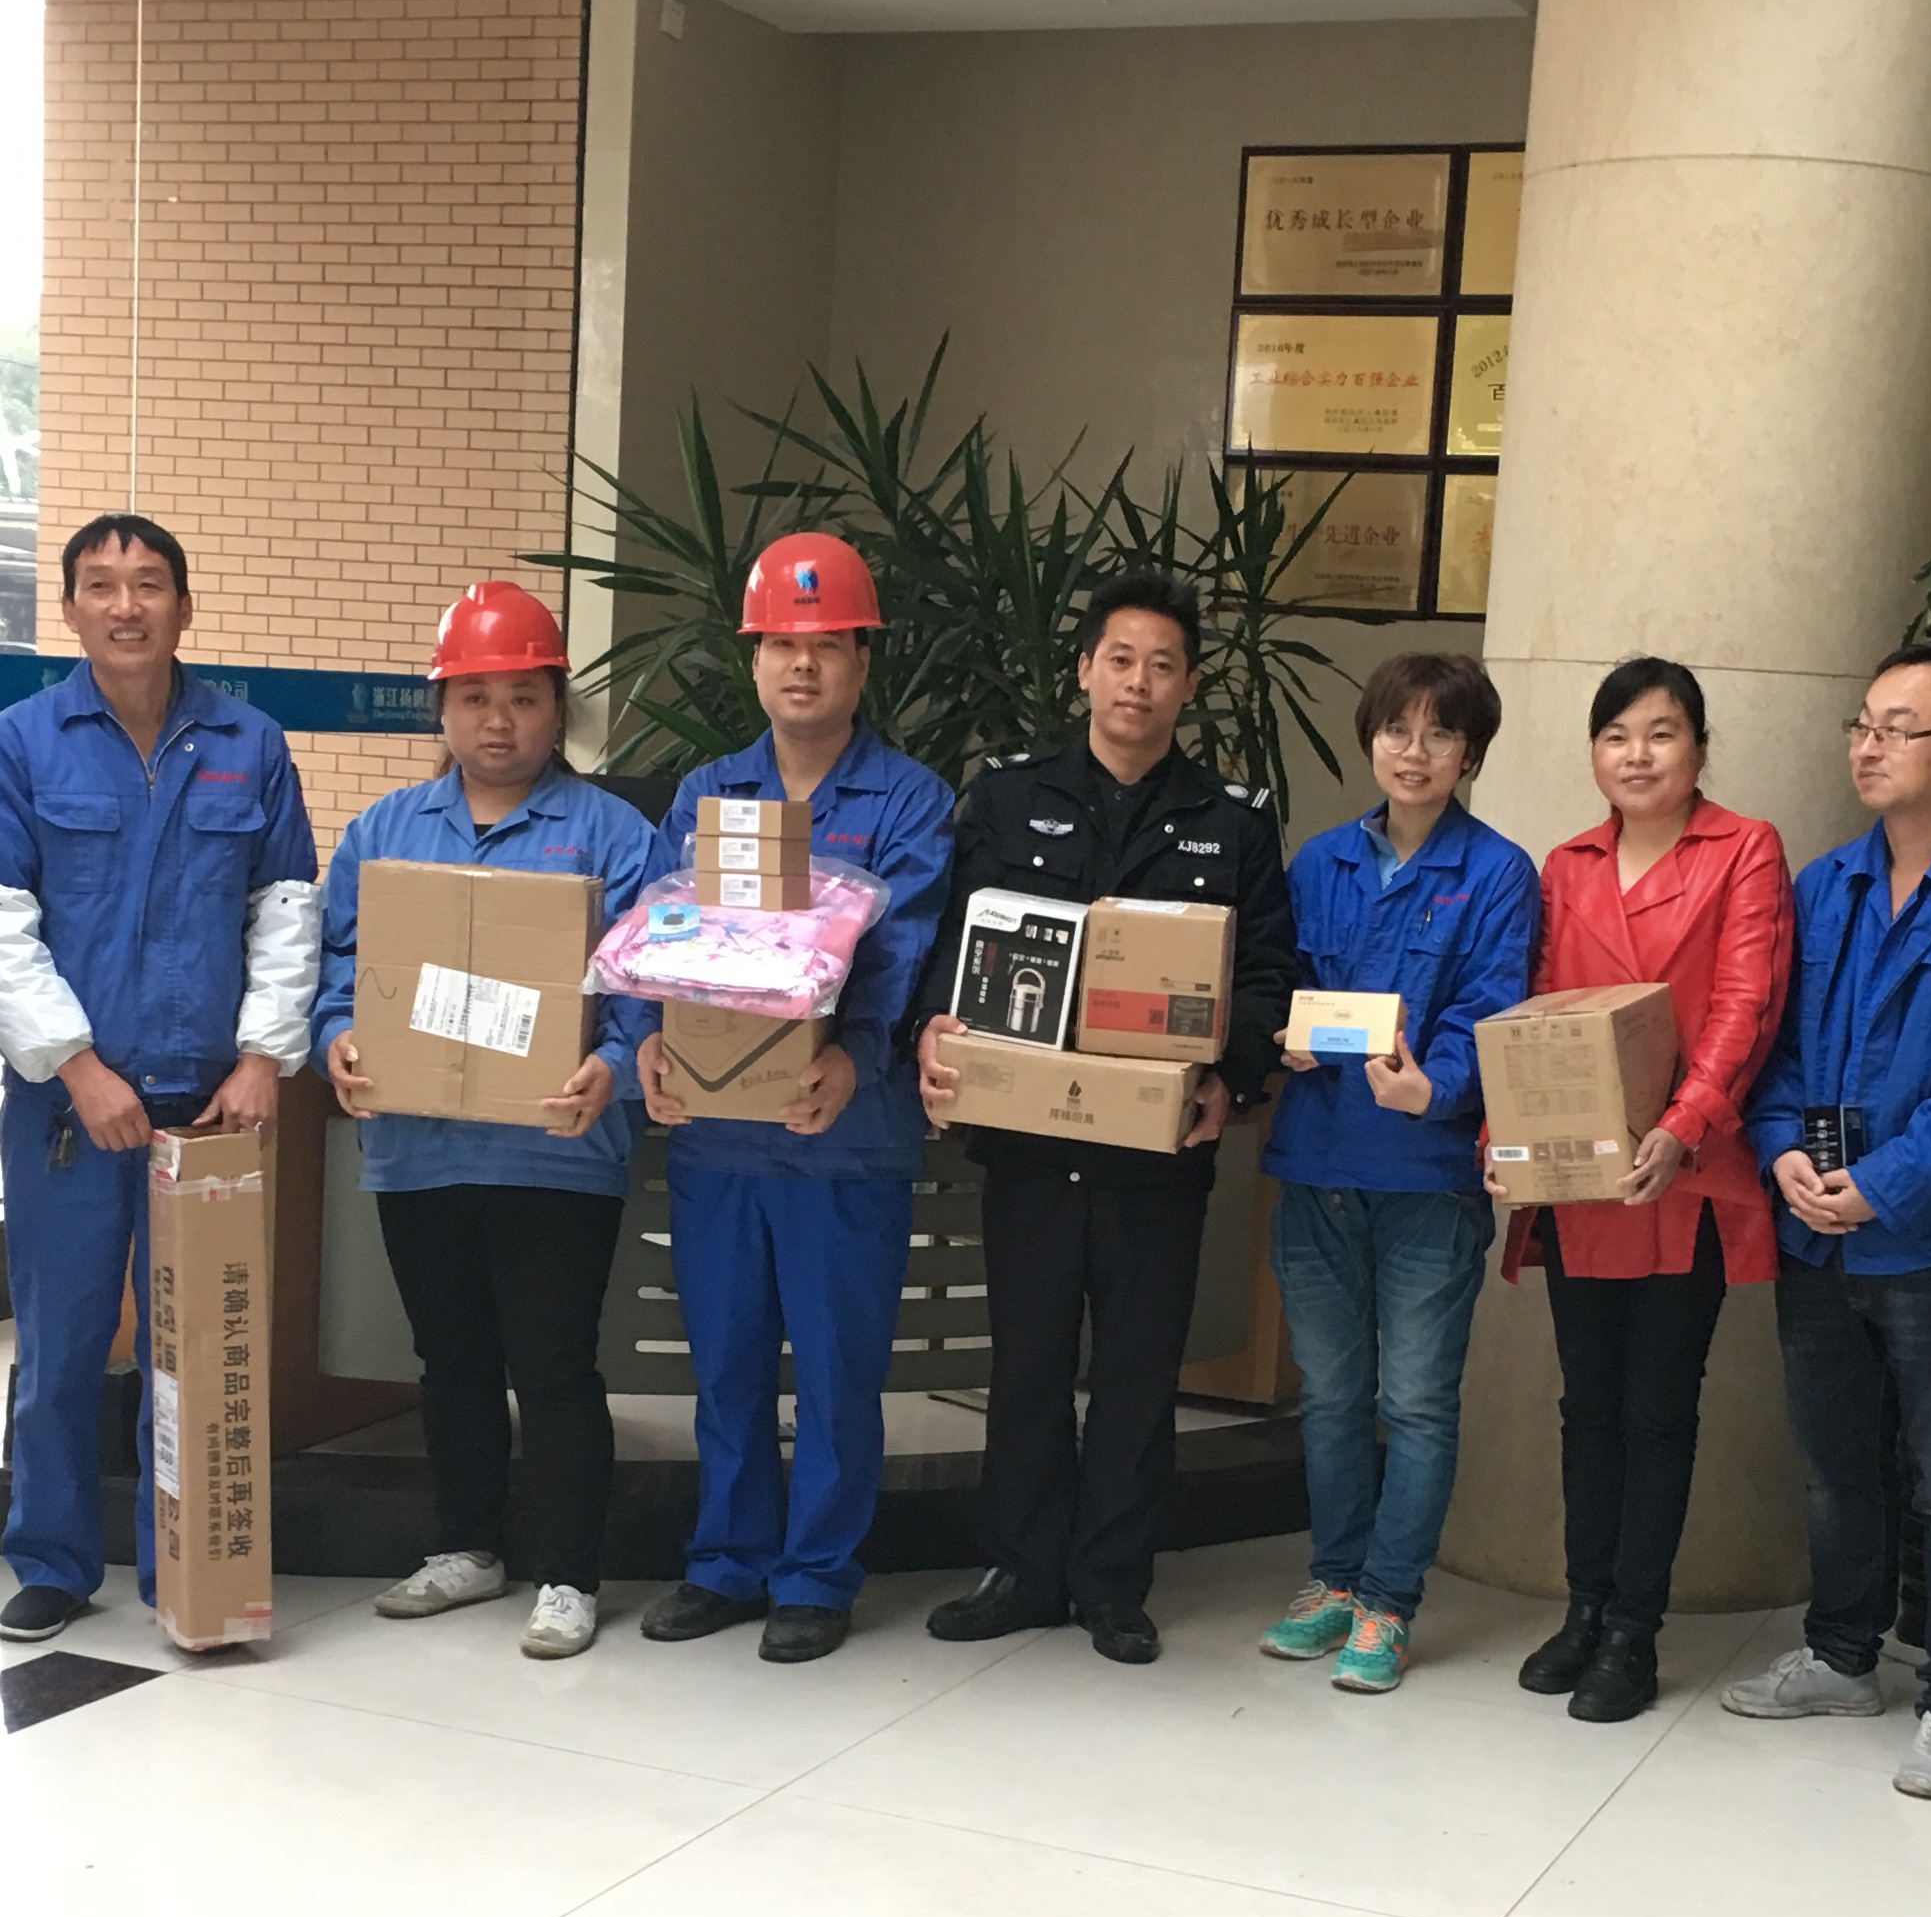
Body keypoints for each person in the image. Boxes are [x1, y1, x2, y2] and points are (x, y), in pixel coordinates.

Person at [0, 514, 317, 1640]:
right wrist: (77, 1067)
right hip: (69, 1112)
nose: (126, 605)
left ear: (184, 607)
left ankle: (191, 1574)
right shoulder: (19, 745)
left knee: (200, 1350)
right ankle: (53, 1561)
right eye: (101, 585)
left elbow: (285, 911)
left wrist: (263, 1057)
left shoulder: (250, 743)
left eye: (149, 584)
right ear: (69, 609)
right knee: (60, 1346)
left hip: (207, 1110)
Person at [919, 571, 1292, 1663]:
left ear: (1189, 685)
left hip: (1155, 1153)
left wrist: (1229, 1080)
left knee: (1137, 1377)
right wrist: (932, 1032)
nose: (1139, 681)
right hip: (1030, 1146)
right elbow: (951, 945)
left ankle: (1113, 1583)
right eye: (1120, 659)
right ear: (1084, 669)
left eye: (1162, 665)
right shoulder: (1006, 798)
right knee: (1027, 1368)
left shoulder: (1231, 823)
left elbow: (1267, 972)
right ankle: (1020, 1569)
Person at [1722, 641, 1931, 1800]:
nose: (1869, 747)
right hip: (1815, 1225)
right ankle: (1839, 1655)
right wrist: (1781, 1150)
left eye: (1900, 729)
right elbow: (1773, 1045)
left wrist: (1885, 1184)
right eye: (1862, 724)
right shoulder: (1826, 883)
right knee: (1836, 1467)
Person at [630, 534, 954, 1663]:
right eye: (780, 644)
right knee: (724, 1366)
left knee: (835, 1371)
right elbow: (661, 932)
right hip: (718, 1134)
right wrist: (648, 1042)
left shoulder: (910, 800)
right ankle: (726, 1562)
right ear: (753, 659)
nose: (801, 665)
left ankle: (816, 1574)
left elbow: (901, 948)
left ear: (863, 660)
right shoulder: (706, 792)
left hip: (843, 1135)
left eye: (826, 646)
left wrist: (854, 1055)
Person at [318, 582, 655, 1659]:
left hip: (558, 1152)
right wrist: (338, 1037)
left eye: (522, 697)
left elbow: (648, 986)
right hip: (420, 1151)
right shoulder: (385, 832)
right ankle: (467, 1546)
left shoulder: (613, 835)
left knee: (554, 1366)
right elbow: (337, 967)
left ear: (558, 708)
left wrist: (613, 1065)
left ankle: (568, 1573)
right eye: (474, 698)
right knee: (451, 1360)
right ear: (443, 710)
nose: (498, 721)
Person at [1506, 659, 1793, 1724]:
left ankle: (1634, 1629)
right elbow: (1536, 1012)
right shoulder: (1567, 864)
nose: (1637, 754)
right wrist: (1505, 1140)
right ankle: (1583, 1609)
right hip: (1583, 1173)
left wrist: (1684, 1123)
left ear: (1700, 748)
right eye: (1616, 734)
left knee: (1658, 1408)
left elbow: (1746, 1002)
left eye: (1662, 733)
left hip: (1687, 1172)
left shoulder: (1744, 848)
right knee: (1588, 1404)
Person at [1254, 653, 1536, 1694]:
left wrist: (1438, 1086)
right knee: (1330, 1395)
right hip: (1316, 1164)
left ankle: (1388, 1601)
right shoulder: (1320, 861)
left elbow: (1492, 1006)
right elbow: (1280, 980)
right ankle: (1332, 1580)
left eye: (1440, 734)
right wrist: (1277, 1038)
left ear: (1471, 753)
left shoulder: (1498, 872)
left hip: (1427, 1173)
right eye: (1396, 730)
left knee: (1415, 1400)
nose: (1414, 753)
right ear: (1371, 738)